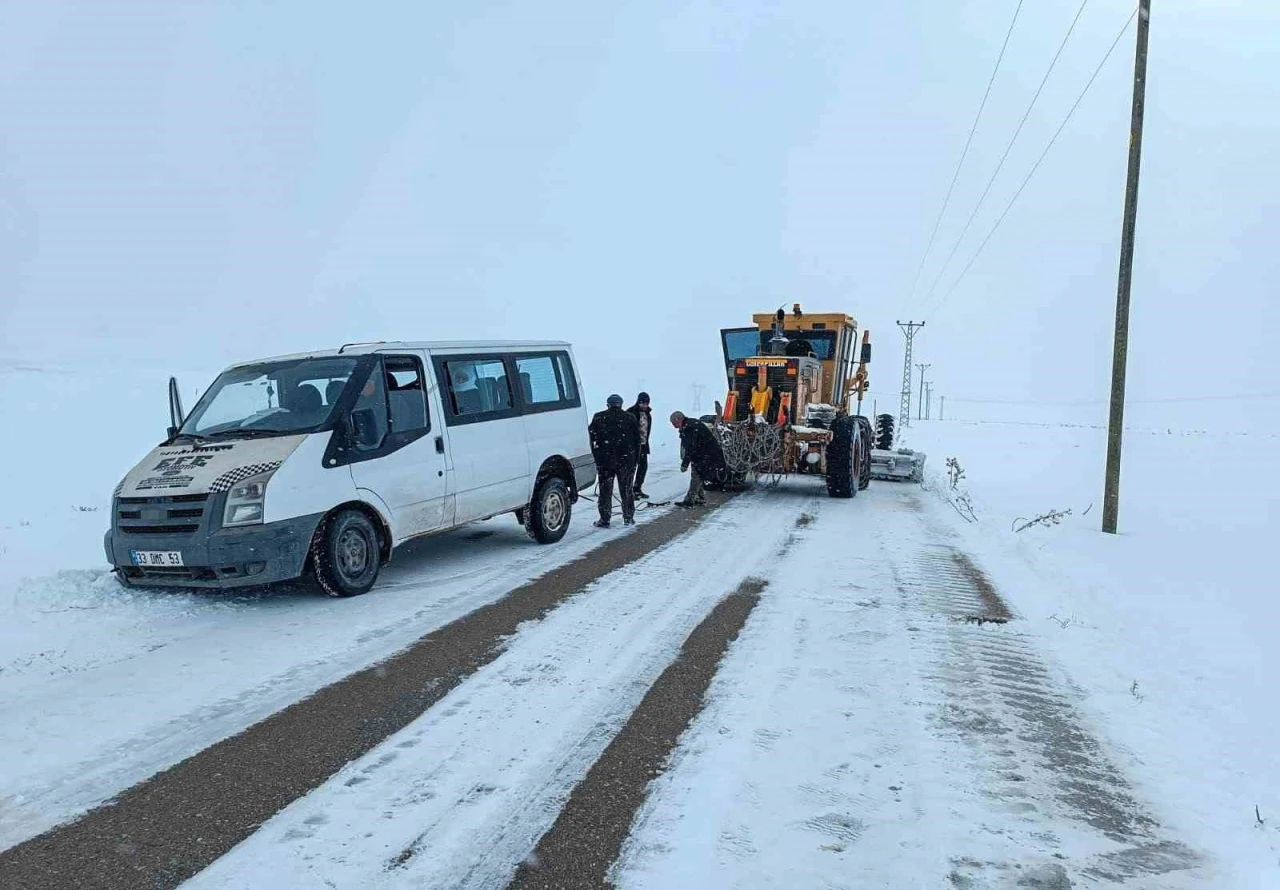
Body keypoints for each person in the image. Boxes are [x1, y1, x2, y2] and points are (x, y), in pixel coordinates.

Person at [588, 394, 640, 527]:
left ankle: (605, 519)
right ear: (621, 404)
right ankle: (628, 517)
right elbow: (637, 441)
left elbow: (591, 437)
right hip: (626, 460)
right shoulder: (630, 418)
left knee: (605, 490)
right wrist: (635, 460)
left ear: (608, 405)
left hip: (605, 460)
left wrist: (596, 455)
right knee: (626, 489)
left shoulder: (599, 417)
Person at [670, 411, 727, 507]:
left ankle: (689, 501)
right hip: (705, 454)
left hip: (706, 454)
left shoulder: (690, 427)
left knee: (697, 475)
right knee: (699, 474)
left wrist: (685, 464)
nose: (674, 426)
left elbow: (690, 448)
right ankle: (699, 497)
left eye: (675, 423)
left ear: (679, 419)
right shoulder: (690, 424)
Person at [627, 392, 653, 499]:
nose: (644, 405)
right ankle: (628, 491)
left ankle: (637, 488)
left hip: (643, 445)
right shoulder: (630, 413)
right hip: (632, 446)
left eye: (646, 403)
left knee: (643, 467)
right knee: (631, 469)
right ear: (638, 402)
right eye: (642, 403)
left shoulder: (648, 415)